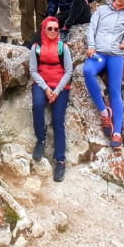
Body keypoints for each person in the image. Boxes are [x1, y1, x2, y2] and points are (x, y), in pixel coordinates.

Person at [82, 0, 124, 151]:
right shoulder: (101, 10)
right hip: (98, 52)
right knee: (87, 71)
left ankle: (117, 134)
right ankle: (104, 113)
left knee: (115, 91)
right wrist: (91, 46)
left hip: (116, 55)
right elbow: (91, 29)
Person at [29, 17, 72, 182]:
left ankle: (60, 160)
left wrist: (57, 90)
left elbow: (68, 71)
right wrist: (47, 89)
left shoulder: (63, 48)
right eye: (50, 29)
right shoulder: (36, 47)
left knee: (58, 119)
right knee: (38, 105)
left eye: (56, 29)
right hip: (42, 84)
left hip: (60, 86)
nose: (53, 32)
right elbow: (33, 70)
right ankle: (41, 139)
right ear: (44, 30)